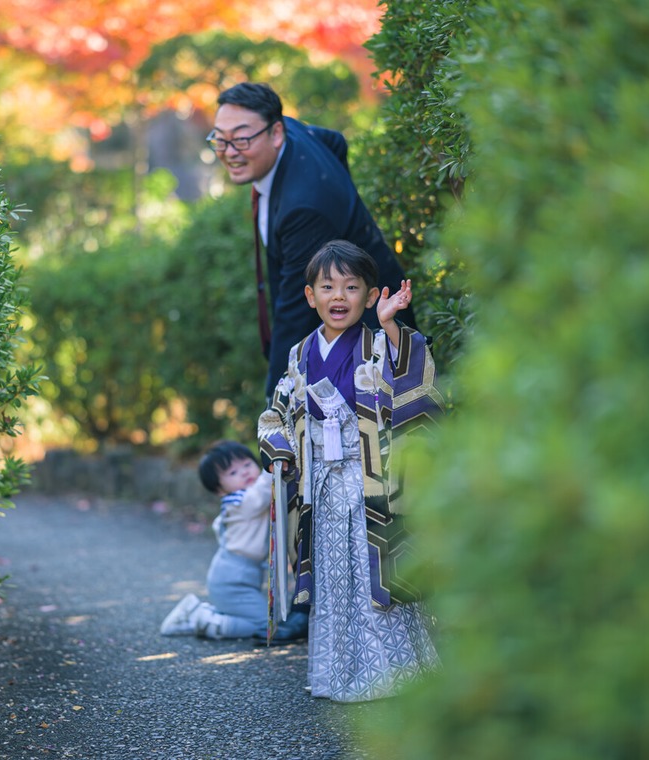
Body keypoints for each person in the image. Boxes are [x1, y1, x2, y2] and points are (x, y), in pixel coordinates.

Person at [257, 240, 441, 702]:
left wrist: (391, 325)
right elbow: (276, 413)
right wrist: (280, 449)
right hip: (322, 485)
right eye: (328, 286)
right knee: (336, 579)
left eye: (352, 287)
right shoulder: (300, 355)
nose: (339, 296)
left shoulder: (380, 343)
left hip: (373, 486)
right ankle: (338, 675)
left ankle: (394, 674)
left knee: (376, 576)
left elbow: (412, 380)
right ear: (309, 296)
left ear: (371, 295)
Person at [208, 81, 417, 399]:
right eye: (220, 140)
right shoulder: (288, 130)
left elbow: (295, 311)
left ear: (275, 134)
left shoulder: (306, 208)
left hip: (372, 339)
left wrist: (275, 402)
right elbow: (334, 141)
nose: (229, 152)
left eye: (241, 139)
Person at [159, 440, 309, 644]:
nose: (244, 472)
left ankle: (206, 611)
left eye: (247, 465)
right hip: (232, 581)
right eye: (233, 473)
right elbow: (262, 492)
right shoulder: (241, 502)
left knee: (265, 619)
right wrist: (274, 462)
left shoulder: (239, 502)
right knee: (265, 625)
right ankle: (201, 619)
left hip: (239, 578)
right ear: (220, 490)